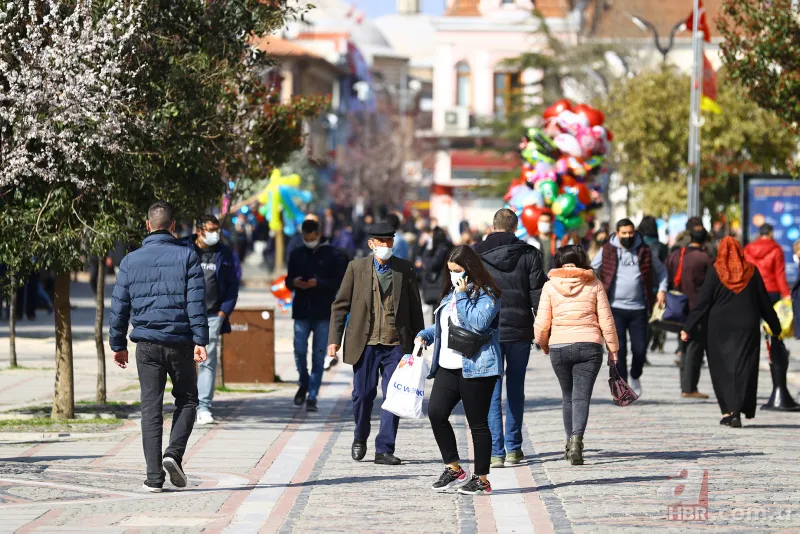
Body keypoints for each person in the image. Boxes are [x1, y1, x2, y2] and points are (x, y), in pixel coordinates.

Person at [109, 201, 208, 493]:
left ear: (147, 225)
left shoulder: (130, 261)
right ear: (174, 226)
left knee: (150, 409)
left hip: (147, 346)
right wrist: (201, 340)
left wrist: (117, 344)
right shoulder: (188, 256)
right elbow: (196, 303)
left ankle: (154, 478)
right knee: (188, 400)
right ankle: (173, 453)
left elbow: (119, 307)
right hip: (179, 342)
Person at [328, 222, 425, 466]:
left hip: (396, 344)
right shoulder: (356, 268)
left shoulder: (405, 269)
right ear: (371, 244)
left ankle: (384, 448)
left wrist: (421, 338)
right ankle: (360, 436)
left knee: (393, 396)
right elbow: (340, 306)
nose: (385, 246)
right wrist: (334, 340)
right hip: (365, 342)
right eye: (381, 242)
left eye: (389, 241)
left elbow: (415, 308)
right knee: (362, 394)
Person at [416, 245, 502, 495]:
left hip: (475, 368)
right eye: (451, 271)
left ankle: (482, 479)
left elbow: (477, 324)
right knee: (436, 413)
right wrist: (425, 336)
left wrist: (463, 296)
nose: (454, 276)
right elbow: (446, 325)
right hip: (447, 366)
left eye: (458, 271)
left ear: (470, 269)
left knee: (477, 424)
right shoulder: (450, 294)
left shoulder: (487, 294)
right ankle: (453, 468)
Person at [682, 237, 781, 428]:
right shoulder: (751, 271)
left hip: (719, 328)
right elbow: (764, 303)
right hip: (747, 325)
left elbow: (703, 303)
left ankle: (728, 410)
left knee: (722, 369)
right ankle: (737, 409)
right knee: (745, 366)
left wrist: (688, 327)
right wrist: (775, 327)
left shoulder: (715, 271)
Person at [473, 209, 546, 468]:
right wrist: (544, 328)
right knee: (516, 388)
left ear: (492, 227)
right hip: (520, 329)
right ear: (516, 228)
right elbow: (538, 295)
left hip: (487, 329)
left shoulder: (476, 253)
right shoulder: (530, 254)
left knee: (492, 391)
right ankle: (514, 448)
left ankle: (496, 452)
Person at [535, 245, 618, 465]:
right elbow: (606, 320)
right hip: (589, 345)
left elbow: (542, 323)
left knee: (567, 396)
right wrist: (613, 349)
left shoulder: (550, 286)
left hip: (559, 346)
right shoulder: (595, 284)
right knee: (581, 397)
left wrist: (544, 344)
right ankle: (576, 442)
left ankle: (568, 441)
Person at [591, 218, 667, 397]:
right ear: (617, 234)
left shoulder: (644, 249)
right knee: (620, 349)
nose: (628, 236)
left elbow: (662, 271)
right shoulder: (608, 249)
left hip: (639, 308)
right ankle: (622, 386)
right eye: (624, 233)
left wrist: (662, 290)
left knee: (640, 349)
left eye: (630, 233)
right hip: (615, 308)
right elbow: (593, 268)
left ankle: (635, 375)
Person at [286, 219, 347, 411]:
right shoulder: (296, 254)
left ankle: (312, 395)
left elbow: (339, 282)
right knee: (299, 351)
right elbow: (288, 280)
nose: (308, 241)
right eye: (305, 238)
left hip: (322, 312)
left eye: (311, 238)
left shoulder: (333, 254)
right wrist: (294, 282)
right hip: (302, 310)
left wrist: (318, 283)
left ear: (318, 235)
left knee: (319, 356)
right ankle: (303, 381)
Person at [186, 215, 240, 425]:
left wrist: (223, 312)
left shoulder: (224, 252)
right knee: (183, 360)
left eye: (217, 229)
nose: (215, 233)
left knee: (207, 360)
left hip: (212, 315)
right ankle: (186, 404)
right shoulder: (185, 248)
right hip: (186, 315)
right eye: (211, 229)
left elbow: (233, 284)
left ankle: (204, 406)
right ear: (199, 231)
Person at [665, 226, 712, 399]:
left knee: (684, 345)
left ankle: (685, 385)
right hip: (697, 308)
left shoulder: (677, 254)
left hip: (678, 307)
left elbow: (666, 275)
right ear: (705, 240)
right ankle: (689, 387)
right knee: (694, 347)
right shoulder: (705, 258)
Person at [744, 223, 791, 305]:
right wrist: (786, 293)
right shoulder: (776, 250)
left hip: (753, 289)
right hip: (772, 291)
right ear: (771, 233)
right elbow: (779, 274)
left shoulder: (747, 250)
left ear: (759, 234)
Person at [420, 227, 453, 323]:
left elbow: (433, 265)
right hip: (443, 284)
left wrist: (428, 251)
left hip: (440, 284)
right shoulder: (447, 246)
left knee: (438, 312)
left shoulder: (442, 248)